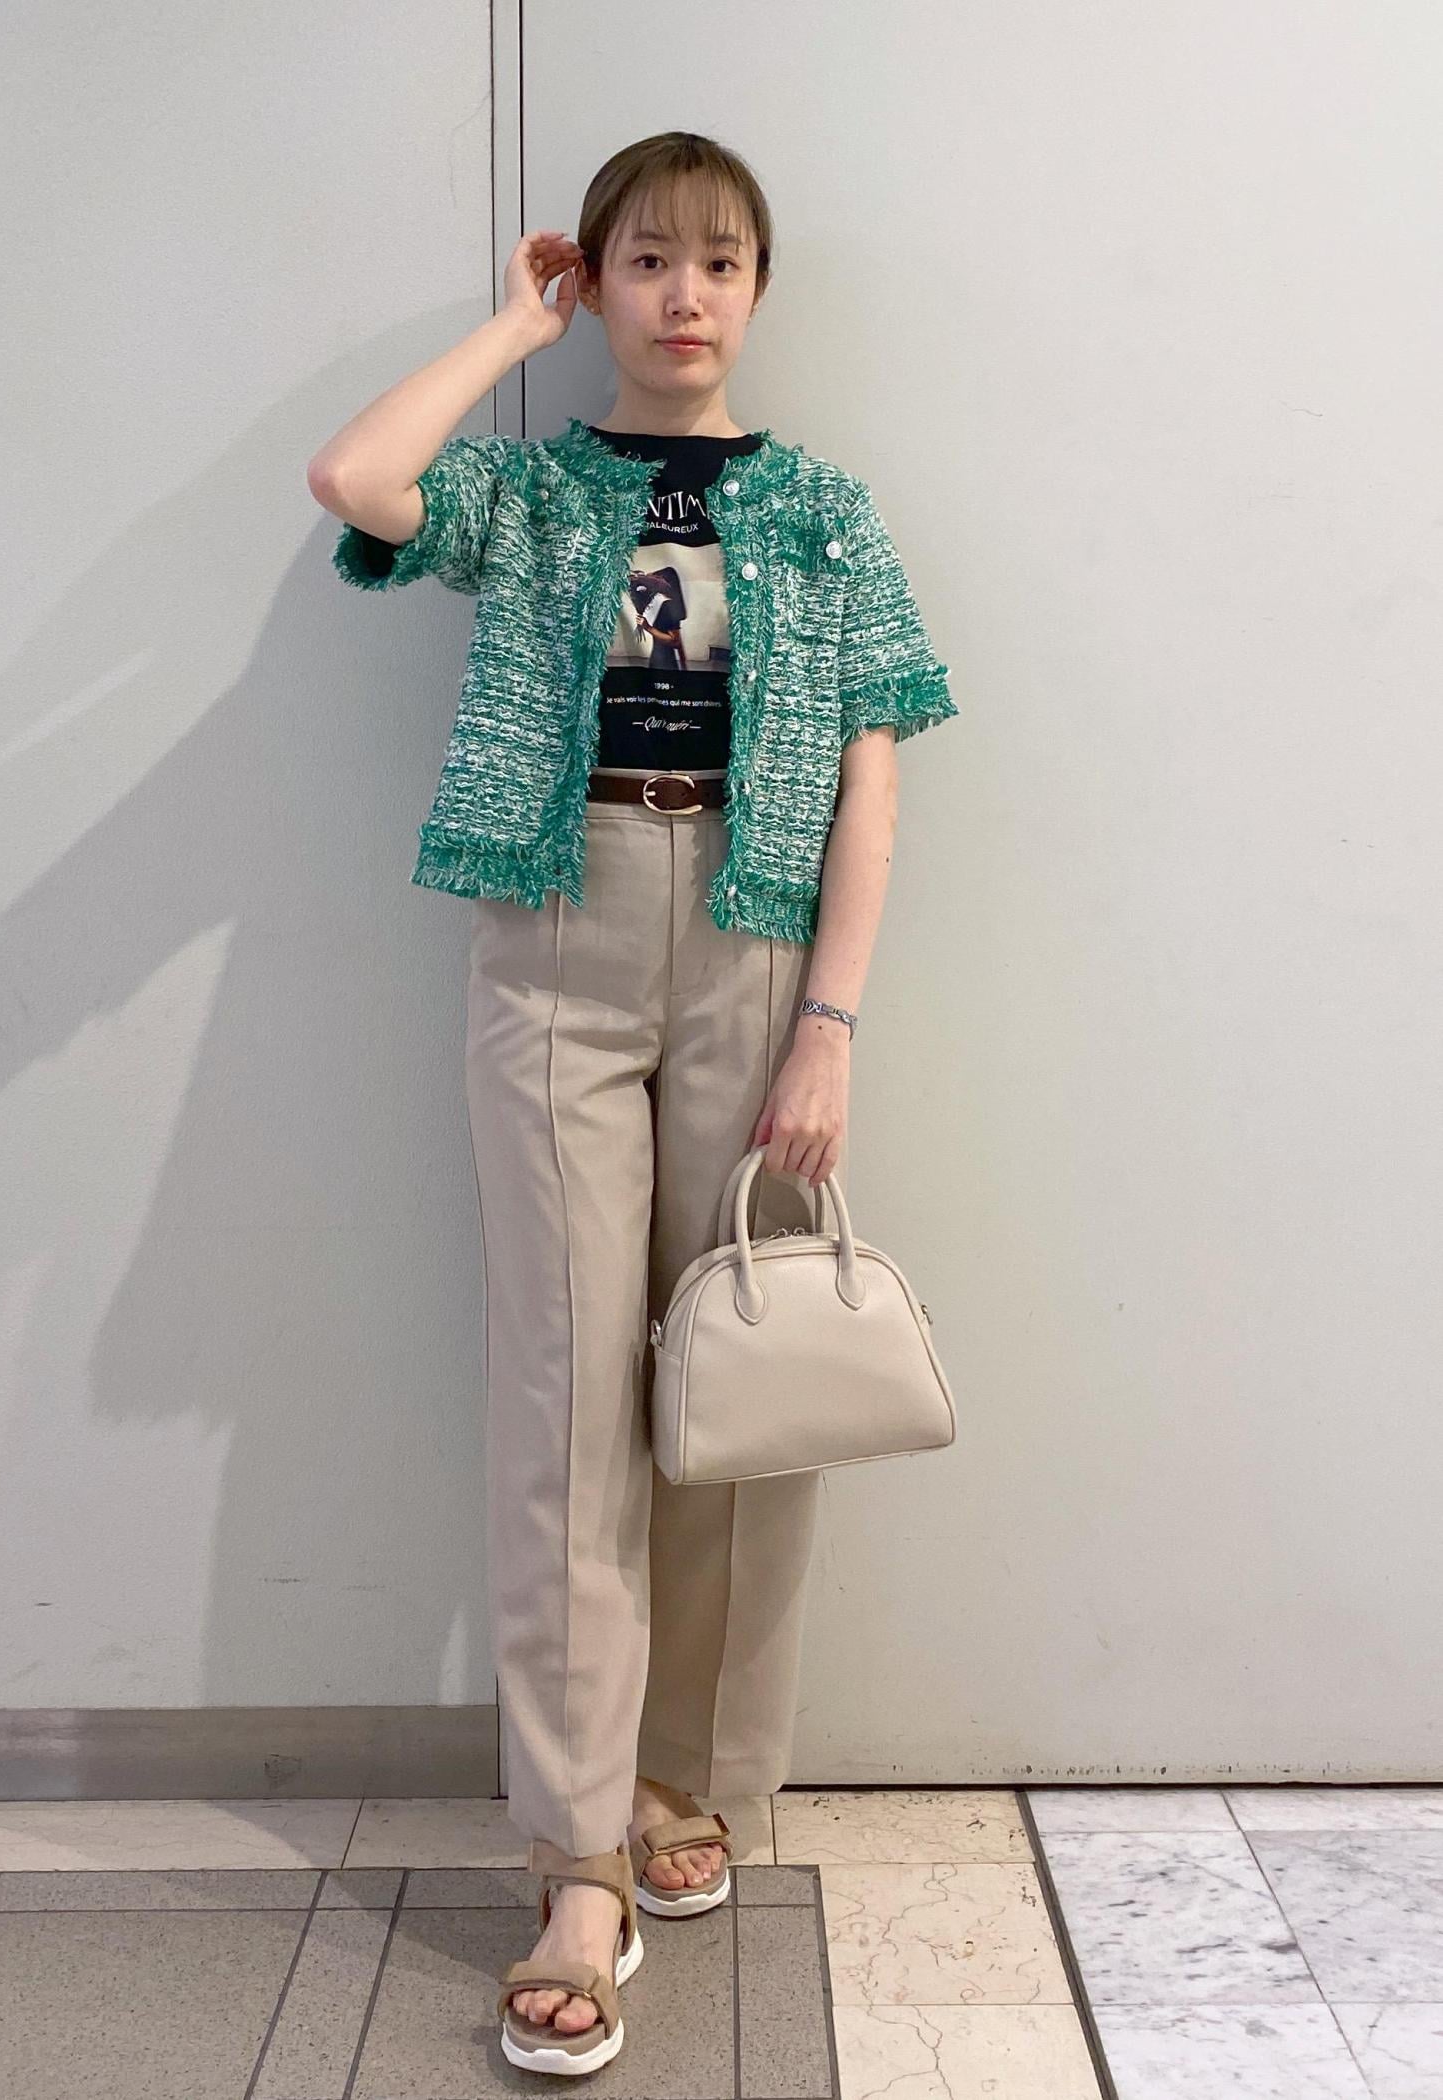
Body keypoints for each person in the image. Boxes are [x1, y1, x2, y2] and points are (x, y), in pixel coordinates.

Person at [308, 130, 956, 2076]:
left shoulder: (825, 512)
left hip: (756, 942)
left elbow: (874, 775)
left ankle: (696, 1785)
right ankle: (581, 1859)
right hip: (555, 934)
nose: (687, 294)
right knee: (567, 1398)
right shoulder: (529, 490)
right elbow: (358, 483)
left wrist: (830, 1020)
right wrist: (514, 330)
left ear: (759, 289)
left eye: (720, 261)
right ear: (595, 282)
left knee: (738, 1388)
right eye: (646, 259)